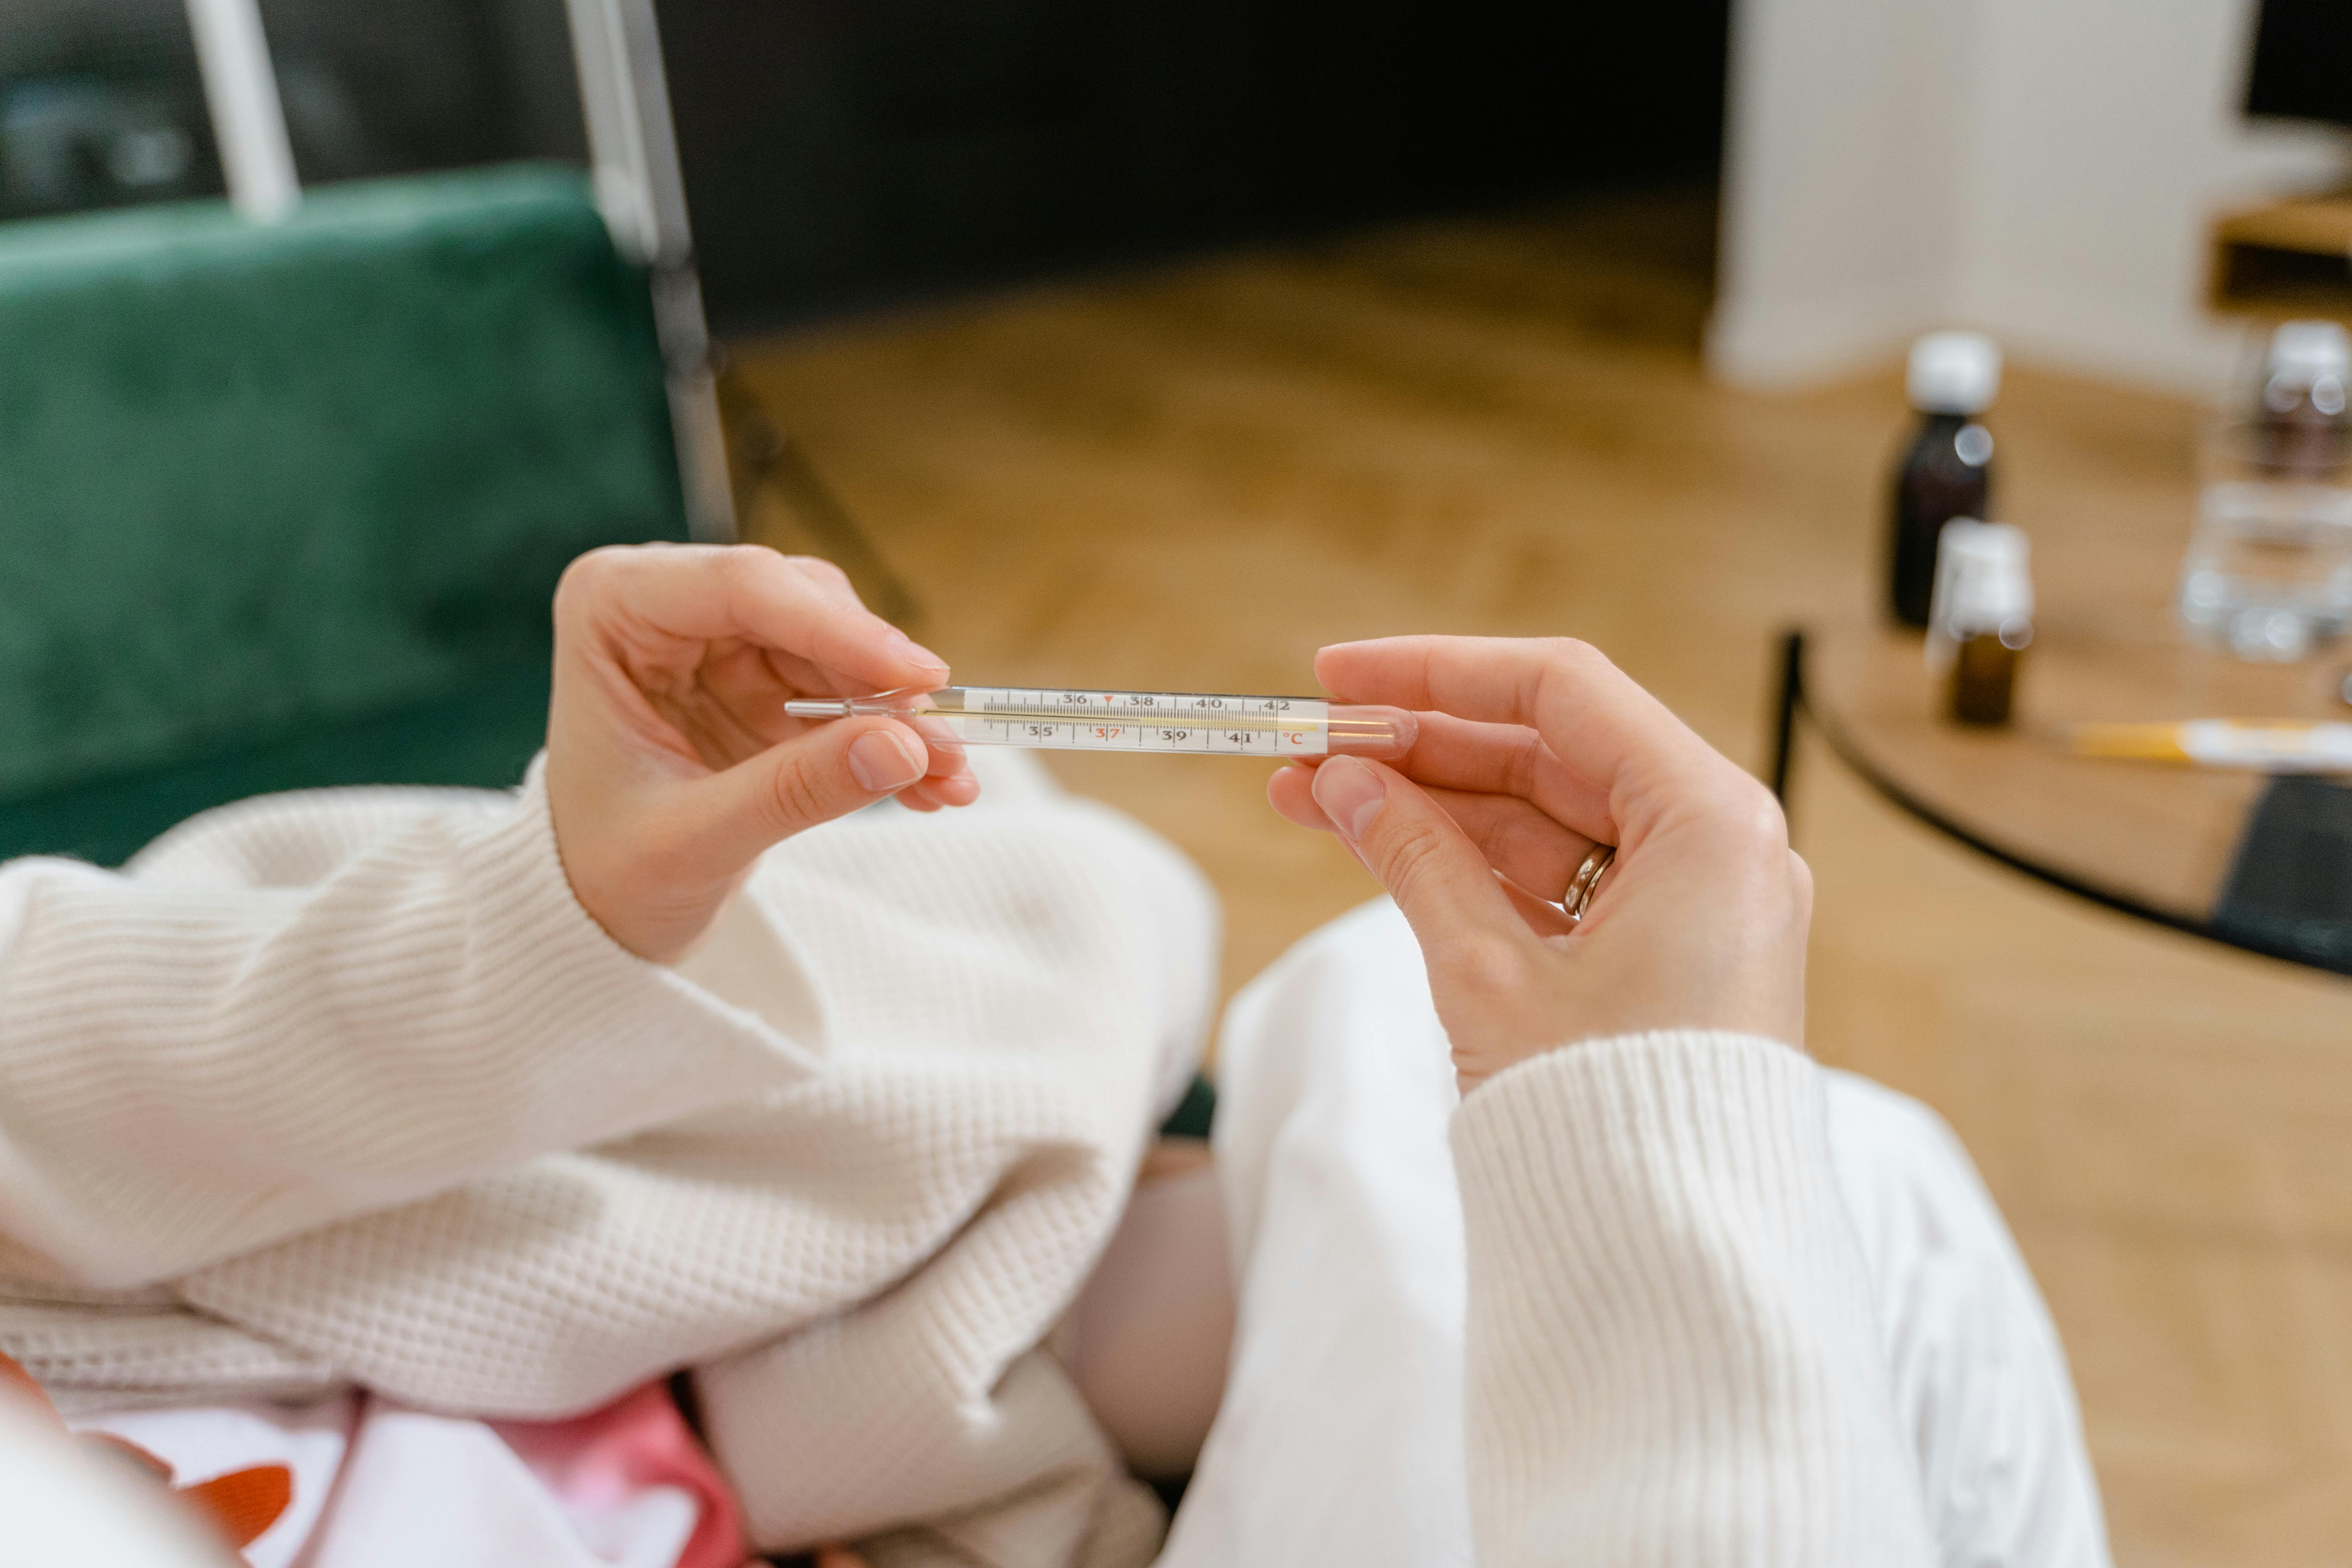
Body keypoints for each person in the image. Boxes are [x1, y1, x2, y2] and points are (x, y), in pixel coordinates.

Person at [0, 544, 2107, 1566]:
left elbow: (94, 1044)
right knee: (1680, 1138)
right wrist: (1662, 1145)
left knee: (1832, 1169)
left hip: (786, 1379)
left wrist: (566, 900)